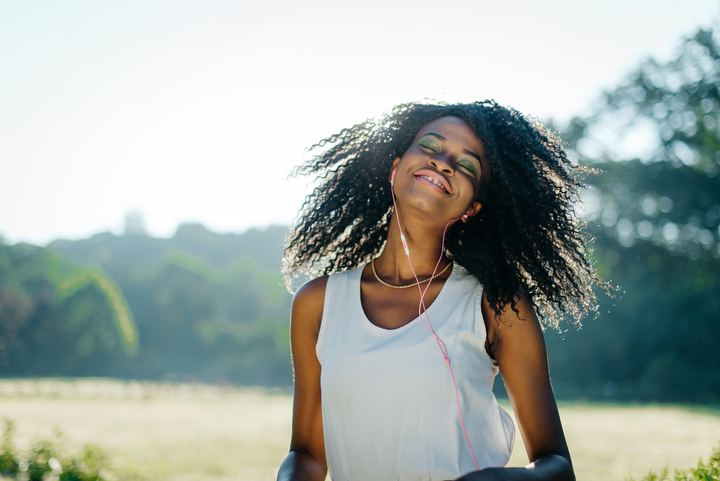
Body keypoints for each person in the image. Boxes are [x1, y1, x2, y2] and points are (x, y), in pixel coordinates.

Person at [278, 101, 604, 481]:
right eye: (430, 147)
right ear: (395, 167)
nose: (444, 163)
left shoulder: (495, 304)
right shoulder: (318, 303)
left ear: (472, 208)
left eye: (467, 165)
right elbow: (307, 453)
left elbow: (557, 467)